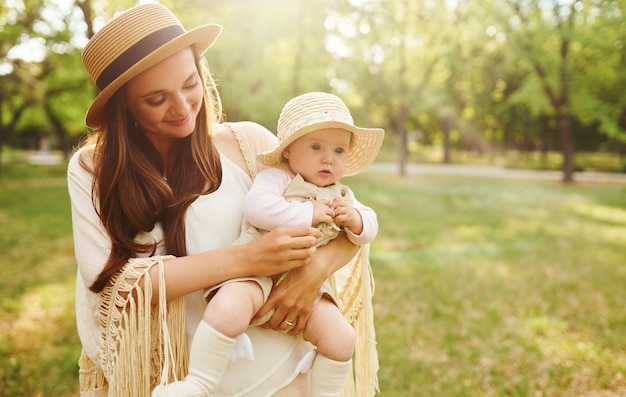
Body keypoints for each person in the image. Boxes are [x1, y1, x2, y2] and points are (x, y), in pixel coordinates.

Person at [68, 3, 379, 396]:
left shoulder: (250, 143)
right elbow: (114, 285)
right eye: (156, 99)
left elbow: (342, 227)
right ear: (123, 104)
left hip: (283, 373)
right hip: (180, 379)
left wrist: (310, 276)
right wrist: (248, 259)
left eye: (189, 83)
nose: (182, 108)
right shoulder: (94, 169)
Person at [155, 92, 384, 397]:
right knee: (227, 310)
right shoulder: (278, 178)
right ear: (288, 151)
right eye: (316, 147)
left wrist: (355, 219)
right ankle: (199, 383)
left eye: (339, 150)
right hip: (257, 271)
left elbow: (370, 226)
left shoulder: (341, 195)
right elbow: (258, 209)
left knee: (342, 338)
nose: (329, 158)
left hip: (305, 282)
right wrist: (308, 212)